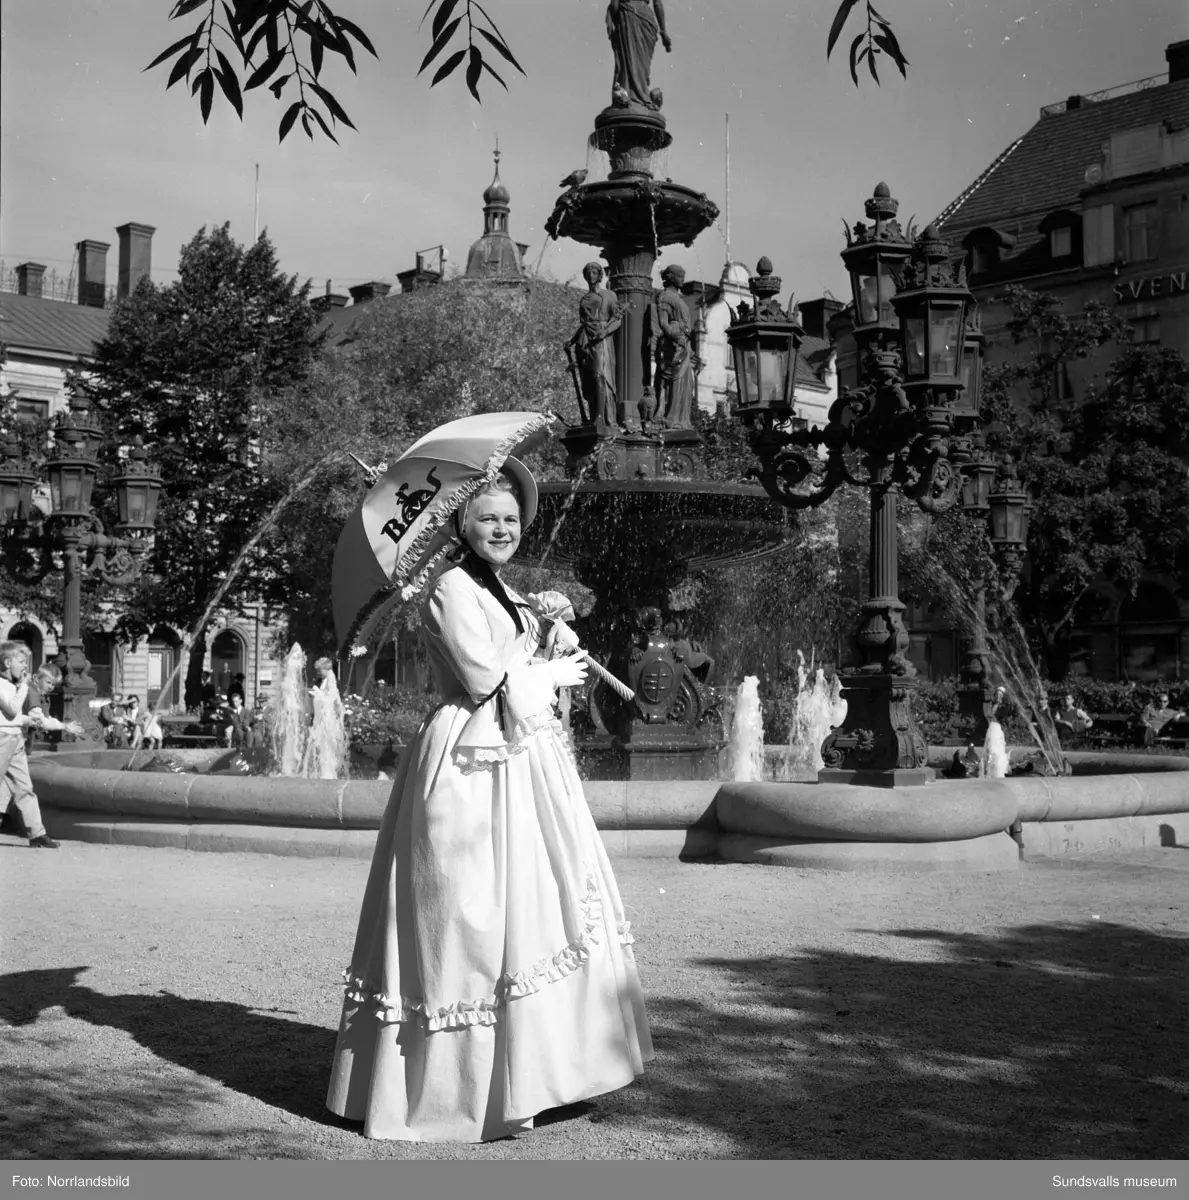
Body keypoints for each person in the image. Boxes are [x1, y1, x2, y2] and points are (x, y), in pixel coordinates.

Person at [327, 464, 652, 1142]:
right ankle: (462, 1092)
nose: (501, 529)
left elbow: (512, 659)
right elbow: (482, 681)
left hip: (520, 758)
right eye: (487, 519)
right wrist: (545, 670)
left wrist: (549, 630)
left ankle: (534, 1074)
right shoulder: (447, 587)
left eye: (509, 519)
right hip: (470, 761)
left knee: (532, 905)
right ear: (460, 526)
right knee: (468, 912)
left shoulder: (498, 586)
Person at [0, 641, 60, 849]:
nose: (26, 666)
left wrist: (29, 721)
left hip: (15, 738)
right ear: (7, 662)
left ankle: (37, 833)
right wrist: (25, 686)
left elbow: (15, 717)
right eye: (21, 662)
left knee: (25, 787)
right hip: (1, 739)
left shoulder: (14, 685)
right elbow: (11, 709)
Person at [568, 262, 622, 429]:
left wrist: (604, 333)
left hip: (601, 339)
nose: (591, 275)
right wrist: (572, 339)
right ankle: (593, 417)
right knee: (589, 378)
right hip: (585, 340)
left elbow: (618, 319)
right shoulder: (584, 299)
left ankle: (602, 417)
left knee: (600, 375)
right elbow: (584, 323)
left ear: (599, 275)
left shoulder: (609, 295)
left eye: (594, 272)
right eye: (588, 272)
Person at [606, 0, 672, 109]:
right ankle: (641, 96)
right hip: (647, 20)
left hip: (629, 13)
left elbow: (614, 4)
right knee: (641, 67)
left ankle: (631, 97)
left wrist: (610, 16)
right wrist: (664, 32)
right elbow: (657, 3)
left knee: (628, 63)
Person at [654, 263, 695, 429]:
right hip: (673, 343)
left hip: (684, 343)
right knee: (675, 381)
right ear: (671, 277)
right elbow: (663, 322)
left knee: (687, 383)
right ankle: (671, 418)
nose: (683, 280)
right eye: (680, 276)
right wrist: (674, 335)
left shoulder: (679, 298)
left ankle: (682, 419)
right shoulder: (665, 297)